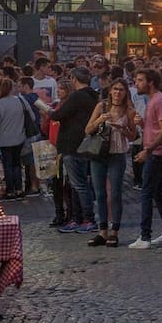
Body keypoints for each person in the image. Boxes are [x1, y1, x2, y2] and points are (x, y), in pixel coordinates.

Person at [82, 78, 138, 248]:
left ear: (125, 92)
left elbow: (133, 137)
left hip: (117, 154)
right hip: (99, 153)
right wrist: (100, 120)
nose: (117, 93)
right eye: (115, 89)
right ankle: (102, 230)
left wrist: (123, 129)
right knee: (99, 194)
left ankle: (114, 231)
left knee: (115, 193)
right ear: (110, 90)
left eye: (121, 90)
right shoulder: (102, 106)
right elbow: (88, 129)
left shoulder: (129, 111)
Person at [130, 69, 162, 248]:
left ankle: (145, 236)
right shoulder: (154, 100)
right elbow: (157, 129)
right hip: (157, 152)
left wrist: (148, 150)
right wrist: (142, 124)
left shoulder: (159, 101)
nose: (137, 83)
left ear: (150, 82)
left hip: (158, 154)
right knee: (158, 194)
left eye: (140, 80)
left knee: (146, 192)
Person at [51, 68, 101, 234]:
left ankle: (87, 218)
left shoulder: (77, 96)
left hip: (72, 144)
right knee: (77, 183)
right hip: (85, 143)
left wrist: (48, 111)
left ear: (73, 79)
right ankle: (77, 219)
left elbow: (58, 115)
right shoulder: (93, 95)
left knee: (79, 184)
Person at [0, 79, 27, 199]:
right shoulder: (20, 100)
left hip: (3, 139)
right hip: (20, 137)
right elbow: (31, 117)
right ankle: (19, 188)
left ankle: (10, 190)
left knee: (7, 164)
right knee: (17, 163)